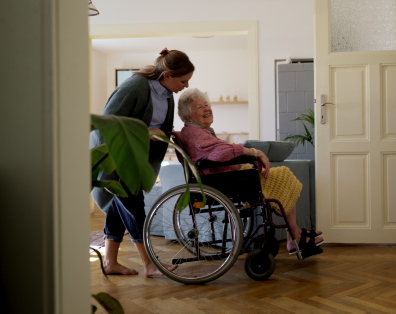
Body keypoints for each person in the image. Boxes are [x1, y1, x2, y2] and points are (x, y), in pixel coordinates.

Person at [175, 88, 324, 254]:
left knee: (282, 174)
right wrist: (254, 152)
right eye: (199, 107)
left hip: (224, 177)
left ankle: (293, 233)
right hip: (224, 181)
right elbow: (220, 152)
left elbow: (218, 151)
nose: (206, 108)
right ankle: (294, 235)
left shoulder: (196, 132)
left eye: (206, 104)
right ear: (188, 116)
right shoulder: (195, 133)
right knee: (282, 174)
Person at [91, 48, 194, 276]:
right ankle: (150, 264)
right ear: (168, 75)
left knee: (119, 208)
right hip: (116, 157)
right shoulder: (136, 86)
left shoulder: (167, 95)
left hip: (135, 159)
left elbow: (158, 127)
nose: (185, 86)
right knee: (135, 209)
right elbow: (108, 122)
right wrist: (145, 132)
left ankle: (110, 262)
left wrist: (169, 134)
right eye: (183, 81)